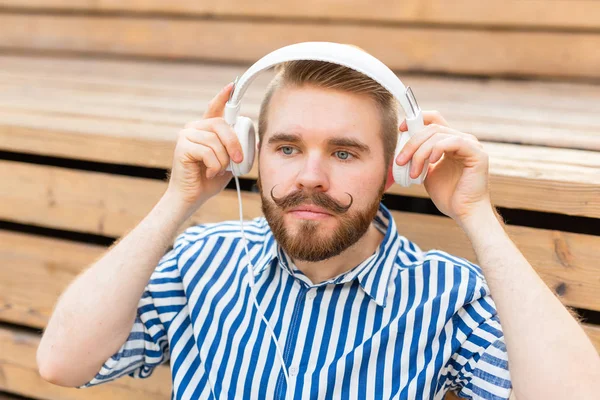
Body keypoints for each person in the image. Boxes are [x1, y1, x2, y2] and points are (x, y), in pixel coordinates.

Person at [37, 60, 599, 400]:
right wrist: (177, 200)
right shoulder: (200, 262)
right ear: (251, 153)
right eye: (287, 147)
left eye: (345, 152)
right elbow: (61, 362)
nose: (311, 177)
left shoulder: (446, 295)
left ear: (395, 168)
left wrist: (476, 215)